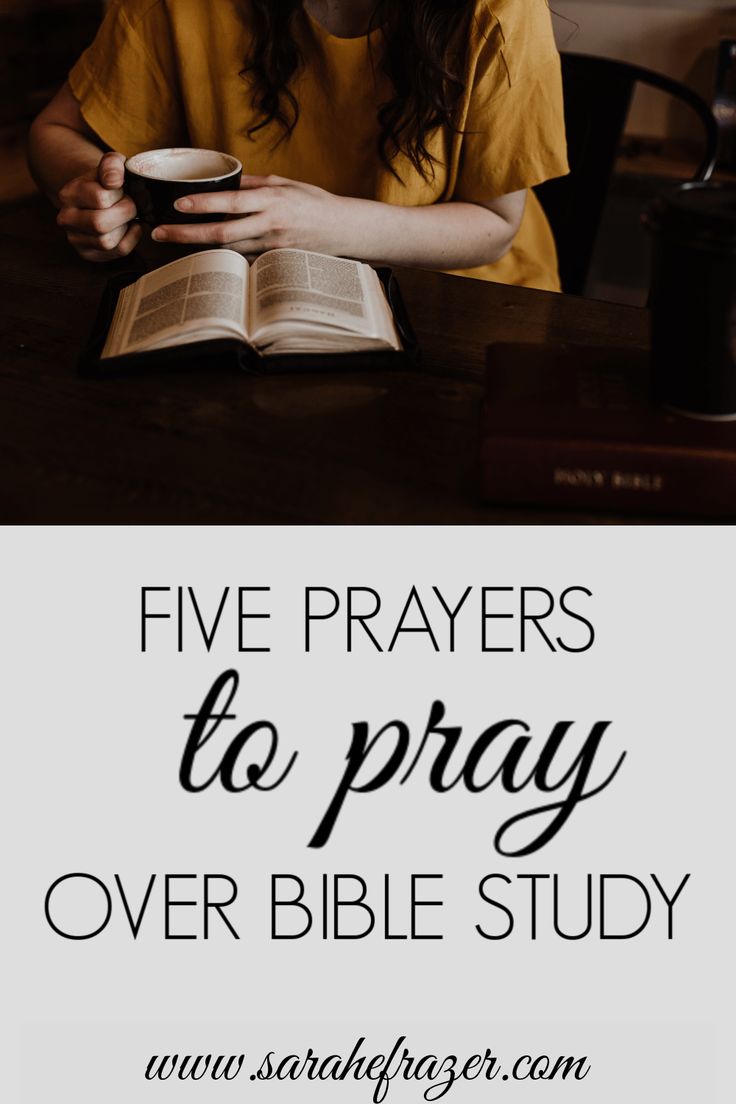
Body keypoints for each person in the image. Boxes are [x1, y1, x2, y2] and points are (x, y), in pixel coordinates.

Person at [28, 0, 569, 290]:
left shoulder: (500, 8)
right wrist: (92, 193)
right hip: (228, 291)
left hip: (460, 299)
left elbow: (496, 227)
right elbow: (55, 133)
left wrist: (325, 226)